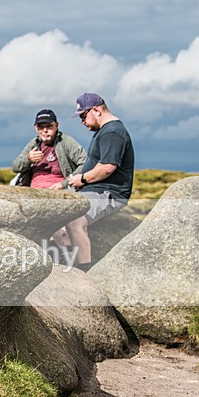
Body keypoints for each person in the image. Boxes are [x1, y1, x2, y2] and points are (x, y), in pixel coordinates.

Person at [65, 93, 135, 271]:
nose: (82, 121)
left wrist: (81, 179)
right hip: (93, 189)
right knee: (55, 212)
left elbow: (107, 168)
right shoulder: (104, 131)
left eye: (83, 116)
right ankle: (64, 262)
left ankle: (84, 271)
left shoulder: (112, 132)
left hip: (108, 193)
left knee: (74, 221)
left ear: (96, 110)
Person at [11, 109, 87, 250]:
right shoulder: (34, 144)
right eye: (41, 127)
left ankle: (66, 256)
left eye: (49, 126)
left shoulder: (66, 142)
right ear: (36, 128)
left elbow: (85, 163)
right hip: (34, 192)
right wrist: (28, 159)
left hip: (58, 191)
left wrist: (64, 183)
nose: (45, 131)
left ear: (56, 126)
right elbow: (15, 166)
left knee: (57, 225)